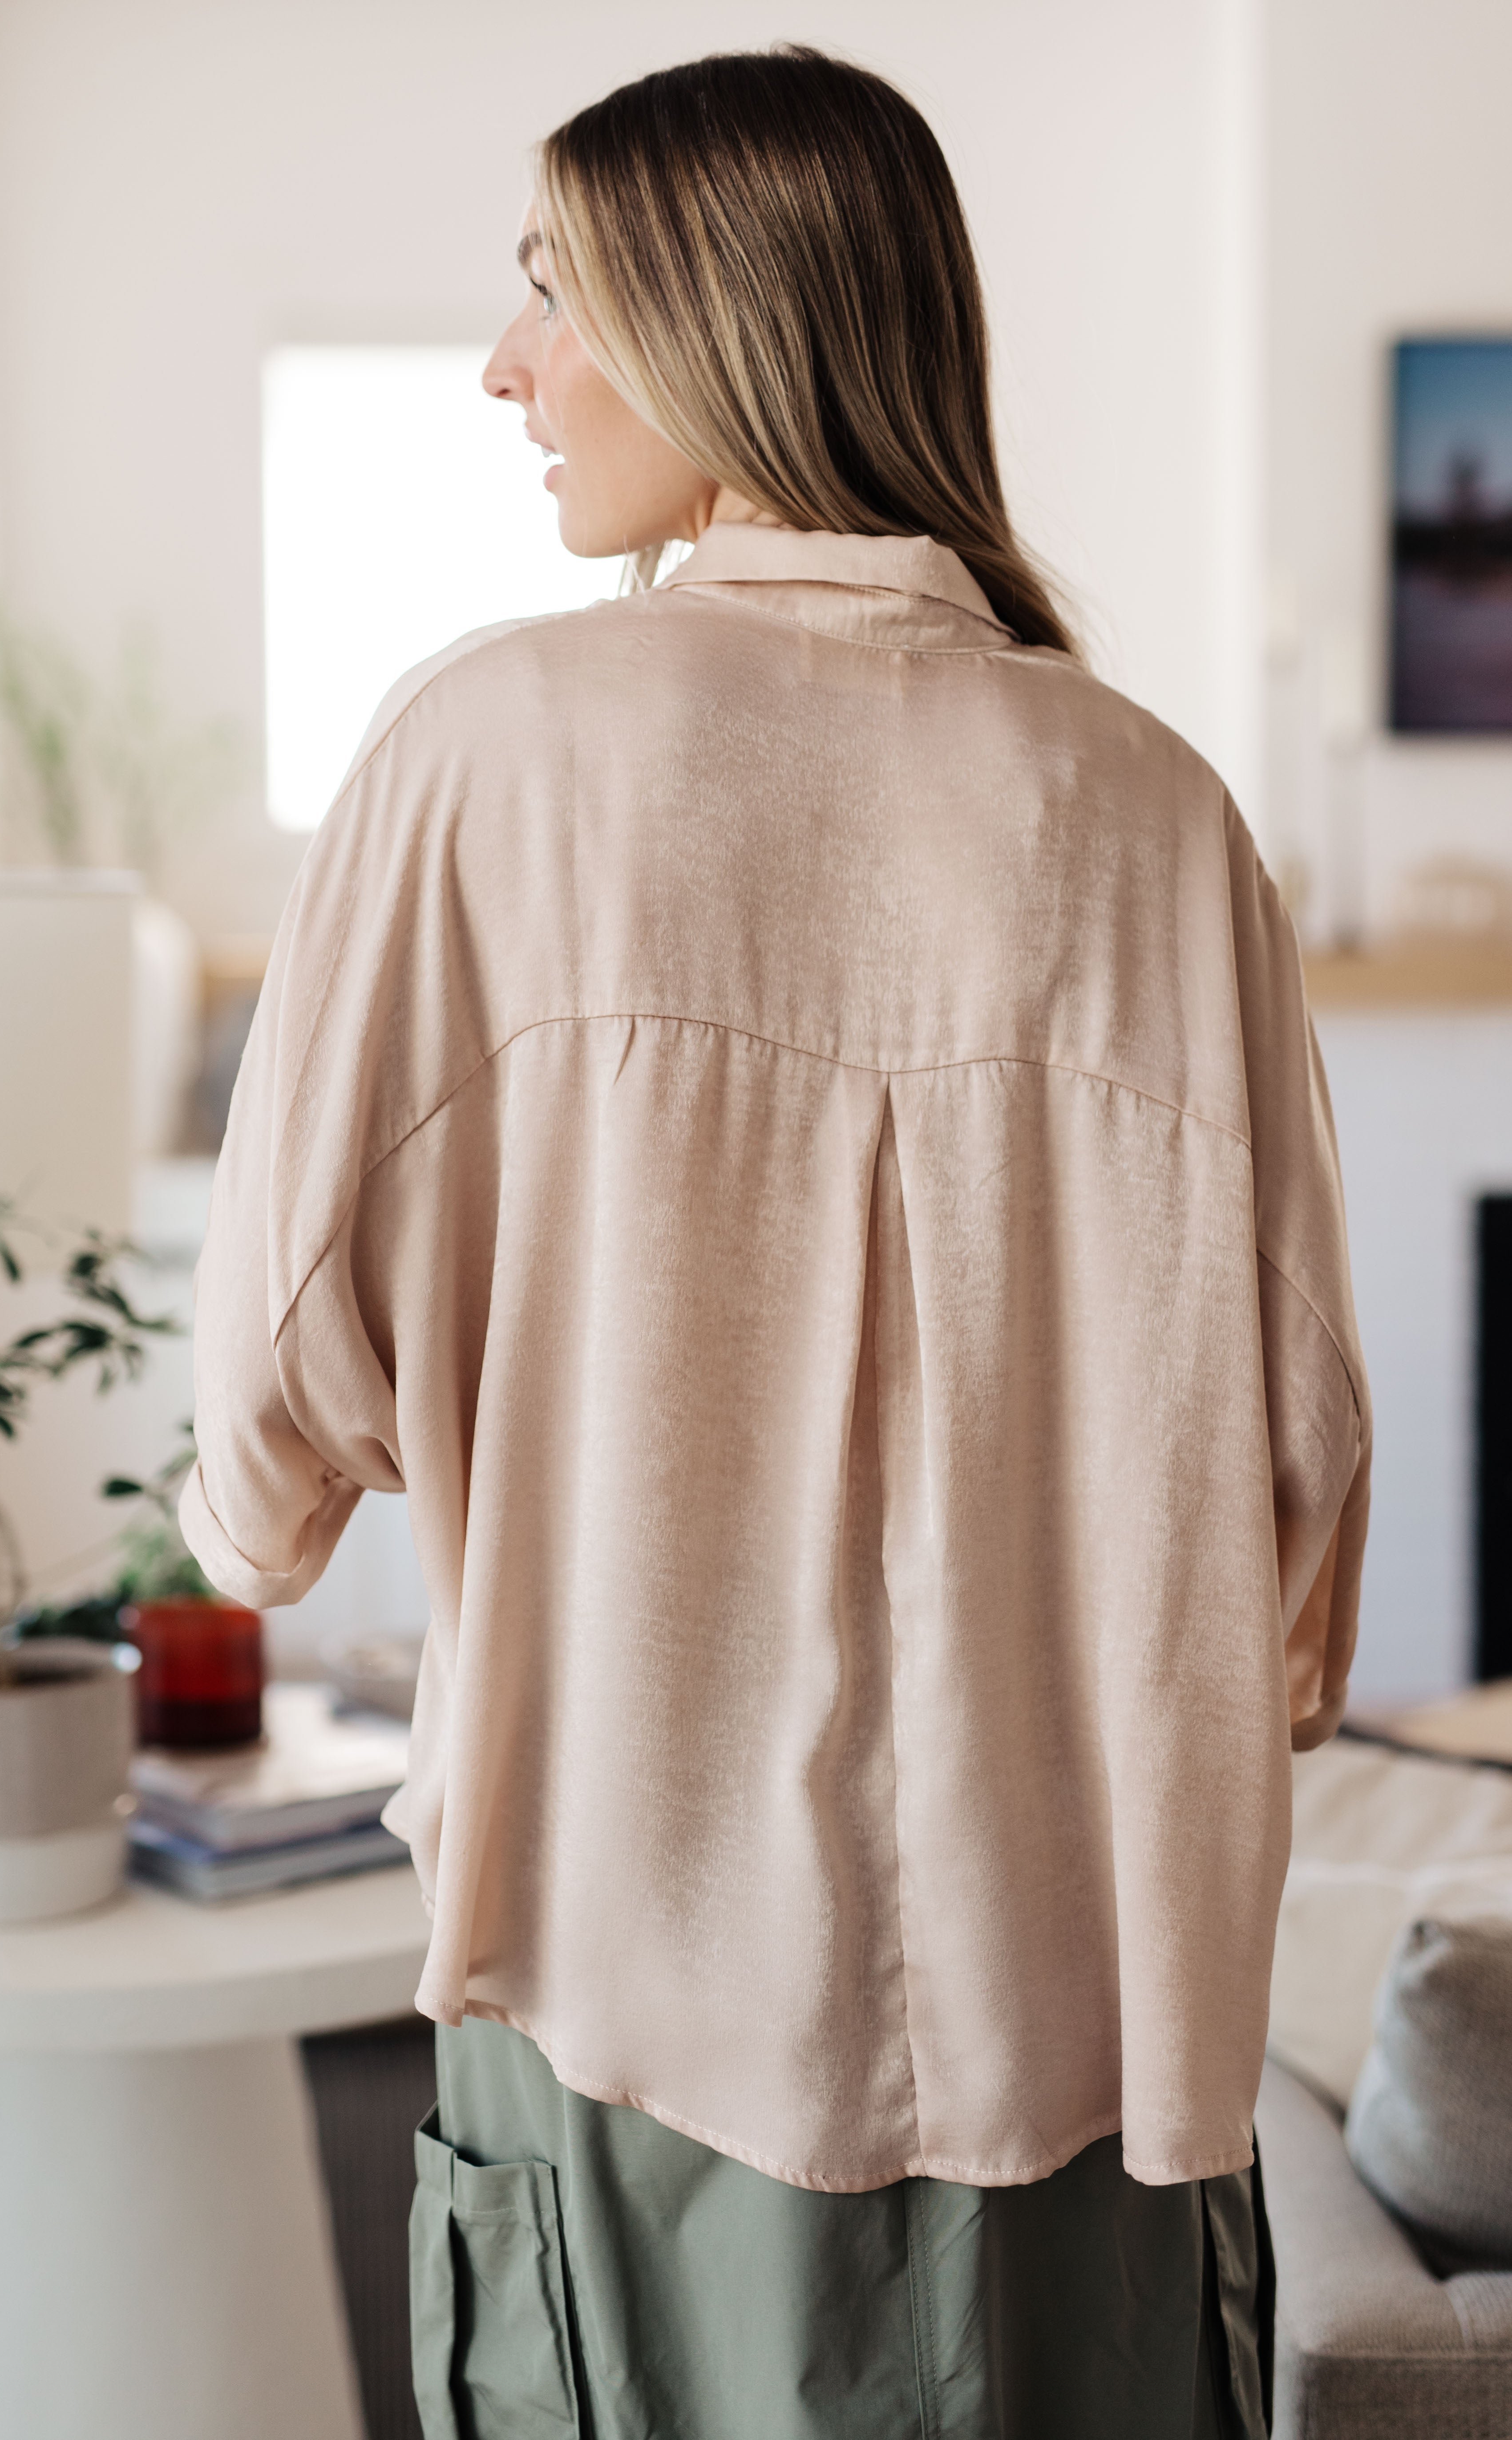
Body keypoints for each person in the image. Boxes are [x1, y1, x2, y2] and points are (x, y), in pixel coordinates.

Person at [182, 45, 1368, 2440]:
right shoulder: (1158, 816)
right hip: (1097, 2016)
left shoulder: (484, 760)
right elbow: (1301, 1485)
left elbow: (268, 1424)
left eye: (553, 293)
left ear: (729, 320)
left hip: (630, 1999)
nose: (507, 367)